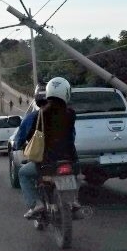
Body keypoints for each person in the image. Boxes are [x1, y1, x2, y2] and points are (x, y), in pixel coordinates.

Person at [18, 77, 79, 219]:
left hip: (46, 163)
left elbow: (29, 136)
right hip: (69, 159)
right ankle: (74, 200)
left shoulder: (39, 115)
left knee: (23, 174)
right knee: (78, 175)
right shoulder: (71, 114)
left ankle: (36, 204)